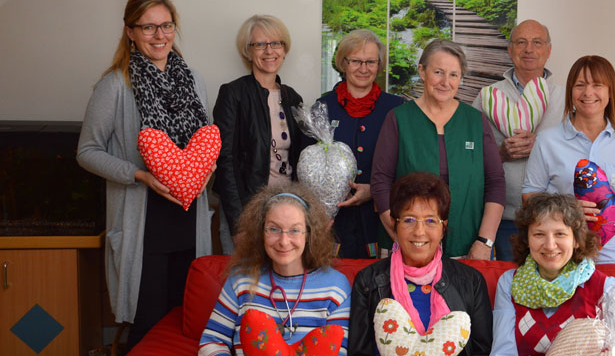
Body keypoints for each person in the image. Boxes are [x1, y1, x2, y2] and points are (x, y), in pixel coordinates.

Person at [77, 0, 213, 348]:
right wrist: (139, 175)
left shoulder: (194, 79)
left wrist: (203, 172)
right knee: (148, 329)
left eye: (166, 25)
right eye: (148, 27)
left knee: (186, 326)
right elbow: (87, 152)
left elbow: (206, 142)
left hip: (189, 220)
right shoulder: (115, 85)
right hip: (144, 225)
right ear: (130, 32)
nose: (159, 35)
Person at [485, 193, 615, 356]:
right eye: (539, 234)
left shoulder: (607, 288)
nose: (550, 245)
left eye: (560, 234)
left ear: (576, 240)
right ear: (527, 240)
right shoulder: (510, 283)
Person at [343, 171, 492, 356]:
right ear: (395, 225)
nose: (419, 231)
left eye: (431, 220)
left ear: (444, 227)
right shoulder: (369, 281)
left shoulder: (471, 281)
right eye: (409, 220)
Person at [199, 183, 351, 356]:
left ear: (309, 234)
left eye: (295, 230)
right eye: (273, 229)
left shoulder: (336, 287)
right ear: (260, 231)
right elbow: (211, 342)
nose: (283, 241)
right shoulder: (240, 281)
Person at [371, 39, 505, 259]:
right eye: (438, 72)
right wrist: (400, 236)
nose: (445, 82)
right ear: (422, 72)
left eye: (453, 75)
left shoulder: (475, 121)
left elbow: (496, 182)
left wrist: (485, 241)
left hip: (468, 248)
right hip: (408, 249)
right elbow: (380, 182)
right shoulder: (398, 119)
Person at [521, 55, 615, 264]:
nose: (588, 93)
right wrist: (566, 210)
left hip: (613, 261)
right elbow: (529, 197)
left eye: (597, 85)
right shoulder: (547, 140)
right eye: (580, 85)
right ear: (570, 92)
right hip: (559, 260)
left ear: (610, 91)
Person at [472, 20, 565, 261]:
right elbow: (469, 154)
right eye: (521, 42)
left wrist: (542, 145)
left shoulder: (567, 99)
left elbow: (579, 153)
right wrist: (500, 153)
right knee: (505, 281)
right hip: (503, 218)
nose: (529, 49)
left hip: (555, 219)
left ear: (548, 50)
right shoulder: (488, 96)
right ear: (510, 49)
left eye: (537, 42)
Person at [213, 15, 304, 247]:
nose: (269, 50)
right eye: (260, 44)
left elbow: (301, 160)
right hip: (247, 209)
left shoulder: (292, 97)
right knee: (244, 270)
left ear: (284, 49)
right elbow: (225, 160)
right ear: (248, 51)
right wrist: (238, 222)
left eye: (276, 43)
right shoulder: (233, 94)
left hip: (286, 209)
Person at [316, 29, 403, 258]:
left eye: (370, 62)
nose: (363, 69)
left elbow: (406, 165)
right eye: (356, 61)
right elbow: (307, 166)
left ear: (379, 65)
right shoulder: (322, 107)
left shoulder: (396, 108)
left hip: (381, 221)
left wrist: (374, 190)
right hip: (333, 222)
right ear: (343, 63)